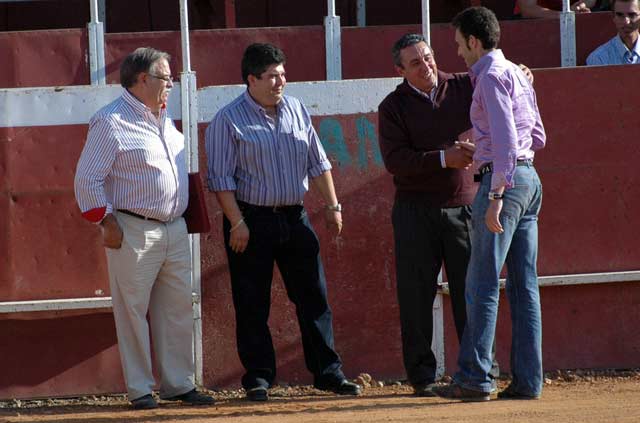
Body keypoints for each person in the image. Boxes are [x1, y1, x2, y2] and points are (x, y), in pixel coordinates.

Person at [205, 43, 361, 402]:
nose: (281, 81)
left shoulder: (296, 109)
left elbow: (317, 162)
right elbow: (221, 180)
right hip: (250, 220)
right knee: (251, 301)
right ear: (251, 79)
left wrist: (333, 205)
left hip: (295, 216)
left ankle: (328, 373)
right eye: (272, 76)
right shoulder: (227, 120)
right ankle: (259, 377)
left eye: (282, 74)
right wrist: (237, 222)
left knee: (313, 297)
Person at [74, 47, 214, 410]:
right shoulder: (110, 120)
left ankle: (179, 384)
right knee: (132, 312)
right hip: (133, 228)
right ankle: (140, 388)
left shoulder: (164, 118)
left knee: (178, 307)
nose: (170, 84)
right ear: (142, 79)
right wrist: (106, 221)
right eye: (165, 77)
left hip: (175, 227)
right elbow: (87, 180)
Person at [377, 33, 502, 397]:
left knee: (473, 293)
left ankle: (480, 371)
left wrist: (521, 71)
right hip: (415, 211)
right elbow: (396, 162)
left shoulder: (465, 84)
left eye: (428, 58)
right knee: (416, 296)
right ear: (400, 70)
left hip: (465, 207)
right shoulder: (393, 107)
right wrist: (444, 158)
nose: (426, 66)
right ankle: (423, 379)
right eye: (415, 62)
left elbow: (500, 77)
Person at [433, 6, 546, 401]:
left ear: (475, 41)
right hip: (529, 179)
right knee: (523, 285)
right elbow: (537, 135)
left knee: (481, 284)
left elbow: (506, 143)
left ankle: (475, 378)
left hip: (505, 184)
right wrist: (486, 151)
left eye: (460, 44)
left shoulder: (493, 77)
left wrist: (496, 194)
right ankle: (529, 381)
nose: (459, 52)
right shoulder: (517, 72)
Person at [586, 0, 640, 65]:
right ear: (613, 17)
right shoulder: (598, 58)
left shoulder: (599, 57)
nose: (626, 22)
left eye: (632, 15)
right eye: (620, 15)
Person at [515, 0, 596, 18]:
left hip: (575, 15)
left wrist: (579, 7)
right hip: (537, 23)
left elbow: (590, 1)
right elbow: (527, 9)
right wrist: (564, 15)